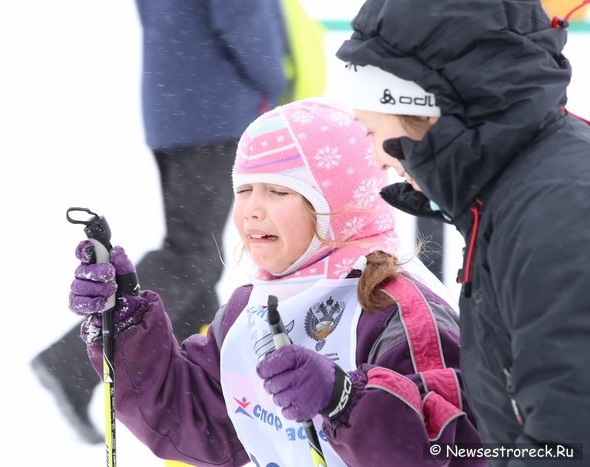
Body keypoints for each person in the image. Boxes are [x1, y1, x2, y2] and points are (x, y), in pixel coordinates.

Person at [68, 98, 485, 466]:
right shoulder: (251, 310)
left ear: (339, 205)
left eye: (279, 191)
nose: (251, 209)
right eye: (245, 189)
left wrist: (344, 401)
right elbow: (196, 424)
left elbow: (452, 451)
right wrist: (124, 328)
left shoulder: (401, 313)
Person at [334, 0, 590, 465]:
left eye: (371, 131)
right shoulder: (506, 193)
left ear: (424, 109)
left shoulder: (557, 209)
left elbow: (571, 438)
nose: (376, 159)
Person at [31, 0, 288, 444]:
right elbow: (246, 24)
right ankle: (73, 364)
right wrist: (278, 79)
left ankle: (187, 394)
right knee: (190, 253)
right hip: (213, 109)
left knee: (199, 260)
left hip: (175, 106)